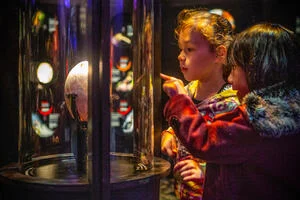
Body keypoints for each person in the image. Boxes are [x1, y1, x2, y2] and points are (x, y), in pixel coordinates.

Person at [161, 22, 300, 200]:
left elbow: (204, 140)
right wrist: (170, 132)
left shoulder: (256, 119)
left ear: (257, 70)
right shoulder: (288, 109)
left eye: (234, 67)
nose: (230, 77)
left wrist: (179, 100)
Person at [160, 8, 239, 200]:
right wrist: (169, 135)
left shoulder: (232, 104)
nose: (180, 56)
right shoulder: (188, 90)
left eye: (189, 49)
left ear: (219, 54)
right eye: (181, 49)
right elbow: (177, 127)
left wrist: (204, 173)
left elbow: (235, 160)